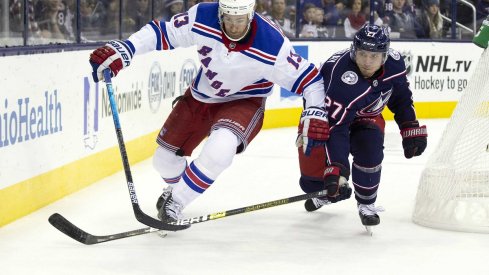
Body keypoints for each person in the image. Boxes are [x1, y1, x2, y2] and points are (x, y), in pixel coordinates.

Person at [89, 0, 329, 224]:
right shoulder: (203, 15)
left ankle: (177, 201)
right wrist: (127, 48)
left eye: (240, 19)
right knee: (163, 161)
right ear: (220, 13)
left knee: (219, 148)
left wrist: (315, 112)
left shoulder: (273, 44)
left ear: (251, 14)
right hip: (201, 97)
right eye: (228, 18)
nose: (233, 26)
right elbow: (164, 32)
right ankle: (178, 189)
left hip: (245, 101)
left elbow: (311, 80)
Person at [297, 24, 427, 228]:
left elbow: (401, 98)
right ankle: (325, 194)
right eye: (362, 54)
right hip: (325, 120)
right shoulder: (340, 77)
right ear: (353, 51)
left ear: (384, 56)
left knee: (371, 149)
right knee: (312, 181)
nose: (367, 62)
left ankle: (366, 204)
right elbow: (336, 127)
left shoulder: (395, 64)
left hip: (367, 117)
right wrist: (338, 168)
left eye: (374, 56)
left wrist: (409, 126)